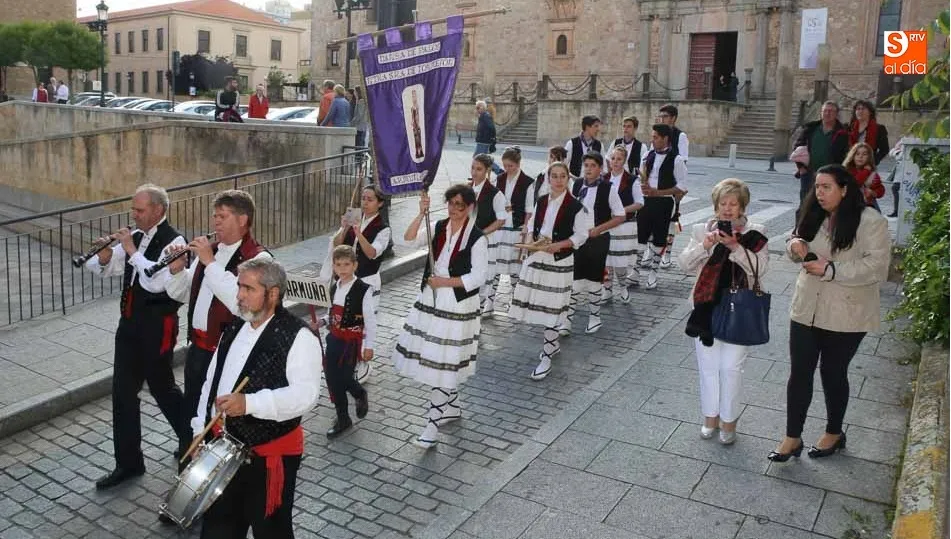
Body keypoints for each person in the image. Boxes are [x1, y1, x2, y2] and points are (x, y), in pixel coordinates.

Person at [768, 164, 890, 463]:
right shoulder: (813, 212)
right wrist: (794, 245)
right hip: (806, 306)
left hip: (847, 311)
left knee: (833, 372)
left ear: (844, 189)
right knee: (800, 372)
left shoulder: (870, 221)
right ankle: (792, 437)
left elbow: (877, 268)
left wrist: (831, 269)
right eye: (817, 187)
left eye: (826, 187)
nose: (819, 193)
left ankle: (834, 432)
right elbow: (794, 241)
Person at [192, 258, 320, 538]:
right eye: (239, 287)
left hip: (268, 458)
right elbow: (212, 382)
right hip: (223, 451)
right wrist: (199, 428)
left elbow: (306, 395)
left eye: (248, 289)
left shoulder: (299, 337)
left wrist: (250, 404)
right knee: (217, 530)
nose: (239, 295)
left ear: (272, 294)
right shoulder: (234, 327)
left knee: (271, 532)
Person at [84, 184, 191, 490]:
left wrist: (130, 249)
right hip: (129, 324)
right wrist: (105, 256)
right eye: (133, 208)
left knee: (162, 388)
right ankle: (129, 463)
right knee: (122, 392)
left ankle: (192, 440)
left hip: (157, 326)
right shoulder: (137, 235)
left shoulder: (175, 241)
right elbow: (111, 267)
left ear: (159, 210)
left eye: (139, 209)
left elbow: (154, 279)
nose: (134, 214)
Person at [165, 190, 271, 465]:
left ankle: (214, 471)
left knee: (220, 417)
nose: (216, 222)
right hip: (198, 350)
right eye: (215, 216)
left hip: (228, 355)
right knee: (192, 411)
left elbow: (241, 304)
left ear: (243, 219)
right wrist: (176, 270)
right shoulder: (211, 252)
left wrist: (209, 263)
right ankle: (188, 463)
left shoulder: (259, 259)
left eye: (223, 216)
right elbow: (182, 293)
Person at [394, 185, 488, 448]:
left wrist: (445, 282)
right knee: (442, 359)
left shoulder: (477, 238)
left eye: (460, 205)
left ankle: (432, 426)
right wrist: (420, 213)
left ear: (469, 207)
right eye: (451, 203)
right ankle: (452, 407)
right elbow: (408, 239)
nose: (455, 209)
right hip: (431, 299)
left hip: (457, 303)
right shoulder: (438, 226)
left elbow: (478, 277)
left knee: (442, 363)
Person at [679, 179, 769, 445]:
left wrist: (735, 248)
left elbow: (761, 269)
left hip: (740, 309)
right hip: (705, 308)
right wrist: (704, 246)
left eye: (733, 204)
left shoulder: (756, 233)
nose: (728, 209)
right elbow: (684, 264)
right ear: (716, 206)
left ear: (742, 207)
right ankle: (710, 417)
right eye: (723, 203)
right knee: (708, 367)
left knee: (730, 368)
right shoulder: (701, 231)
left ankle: (729, 421)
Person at [509, 162, 592, 380]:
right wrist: (530, 243)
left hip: (559, 261)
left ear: (568, 179)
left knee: (552, 309)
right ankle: (552, 345)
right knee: (543, 306)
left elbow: (581, 236)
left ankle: (546, 357)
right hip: (538, 258)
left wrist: (560, 245)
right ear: (548, 179)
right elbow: (533, 225)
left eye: (562, 176)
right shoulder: (542, 200)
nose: (558, 180)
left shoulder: (576, 206)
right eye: (554, 176)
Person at [312, 246, 375, 437]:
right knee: (332, 379)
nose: (342, 269)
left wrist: (369, 346)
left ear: (355, 265)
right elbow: (331, 314)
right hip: (334, 339)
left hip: (350, 343)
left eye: (347, 264)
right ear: (333, 266)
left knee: (345, 378)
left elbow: (370, 321)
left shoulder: (363, 290)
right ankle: (343, 418)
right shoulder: (334, 287)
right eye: (338, 265)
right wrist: (321, 322)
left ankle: (359, 393)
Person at [330, 184, 390, 383]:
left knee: (363, 321)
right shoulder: (356, 218)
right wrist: (345, 228)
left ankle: (362, 359)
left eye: (370, 199)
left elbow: (372, 253)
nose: (365, 202)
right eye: (363, 198)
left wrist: (358, 233)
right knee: (346, 318)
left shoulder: (383, 228)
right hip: (347, 279)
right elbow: (338, 245)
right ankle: (347, 358)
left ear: (380, 203)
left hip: (367, 279)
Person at [561, 151, 625, 334]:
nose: (588, 169)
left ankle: (595, 318)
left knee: (594, 278)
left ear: (600, 168)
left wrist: (599, 229)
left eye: (593, 166)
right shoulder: (577, 185)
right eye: (586, 165)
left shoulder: (608, 188)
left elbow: (620, 215)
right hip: (577, 239)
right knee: (574, 279)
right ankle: (567, 320)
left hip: (598, 239)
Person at [637, 123, 688, 289]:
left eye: (656, 137)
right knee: (641, 236)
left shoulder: (677, 159)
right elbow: (642, 176)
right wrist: (642, 185)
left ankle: (653, 273)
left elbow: (682, 186)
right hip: (646, 200)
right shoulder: (648, 155)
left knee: (660, 237)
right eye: (652, 137)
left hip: (664, 201)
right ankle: (635, 272)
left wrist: (658, 192)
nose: (652, 140)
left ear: (665, 138)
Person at [486, 147, 535, 314]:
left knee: (515, 267)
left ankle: (516, 302)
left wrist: (526, 228)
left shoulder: (528, 182)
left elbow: (529, 209)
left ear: (518, 164)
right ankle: (489, 303)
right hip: (499, 228)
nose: (507, 169)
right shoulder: (499, 179)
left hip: (517, 228)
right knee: (495, 266)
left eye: (511, 166)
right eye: (505, 165)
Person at [603, 145, 644, 301]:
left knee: (620, 261)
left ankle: (623, 287)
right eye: (613, 158)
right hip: (606, 224)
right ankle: (607, 289)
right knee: (606, 259)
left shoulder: (632, 180)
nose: (615, 161)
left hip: (624, 226)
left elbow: (639, 203)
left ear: (624, 160)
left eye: (619, 159)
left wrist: (621, 210)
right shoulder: (603, 178)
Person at [650, 104, 689, 269]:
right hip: (656, 183)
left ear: (673, 118)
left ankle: (667, 254)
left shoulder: (680, 136)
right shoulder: (657, 134)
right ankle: (652, 251)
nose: (662, 119)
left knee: (672, 219)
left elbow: (683, 161)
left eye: (665, 116)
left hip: (672, 183)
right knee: (653, 216)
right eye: (660, 116)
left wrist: (680, 189)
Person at [467, 154, 506, 315]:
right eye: (473, 168)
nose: (474, 172)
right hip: (467, 239)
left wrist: (482, 233)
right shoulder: (466, 189)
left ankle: (479, 311)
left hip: (486, 239)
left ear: (487, 171)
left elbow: (501, 220)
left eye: (479, 169)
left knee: (483, 276)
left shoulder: (495, 193)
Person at [793, 100, 849, 172]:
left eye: (831, 111)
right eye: (825, 111)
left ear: (836, 114)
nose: (827, 113)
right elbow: (798, 147)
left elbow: (846, 154)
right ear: (821, 113)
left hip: (832, 174)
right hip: (809, 173)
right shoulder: (810, 129)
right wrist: (801, 168)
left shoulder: (843, 132)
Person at [843, 142, 884, 211]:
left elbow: (881, 188)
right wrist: (865, 171)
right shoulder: (848, 171)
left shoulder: (872, 173)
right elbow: (855, 183)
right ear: (852, 156)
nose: (860, 157)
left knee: (876, 214)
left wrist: (873, 192)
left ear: (869, 157)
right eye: (857, 154)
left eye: (864, 154)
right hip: (851, 204)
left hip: (868, 204)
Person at [847, 100, 889, 165]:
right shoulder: (848, 128)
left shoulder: (879, 129)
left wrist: (873, 161)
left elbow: (884, 150)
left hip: (868, 165)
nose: (860, 111)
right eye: (858, 109)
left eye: (863, 109)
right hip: (850, 163)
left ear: (870, 112)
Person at [474, 100, 503, 174]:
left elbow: (492, 127)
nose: (477, 110)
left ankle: (498, 170)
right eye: (476, 108)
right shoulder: (483, 116)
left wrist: (492, 138)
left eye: (478, 108)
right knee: (483, 158)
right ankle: (497, 171)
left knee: (478, 157)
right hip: (483, 140)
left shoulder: (485, 116)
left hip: (483, 141)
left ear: (483, 107)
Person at [789, 145, 814, 222]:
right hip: (807, 172)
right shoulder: (806, 140)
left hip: (809, 171)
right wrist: (801, 167)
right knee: (805, 200)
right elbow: (797, 148)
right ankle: (800, 225)